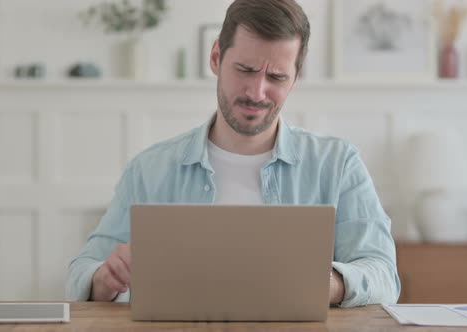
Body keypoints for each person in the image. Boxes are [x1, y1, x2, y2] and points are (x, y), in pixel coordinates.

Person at [66, 0, 400, 307]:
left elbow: (384, 273)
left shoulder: (338, 164)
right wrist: (104, 279)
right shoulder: (150, 169)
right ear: (216, 57)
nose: (257, 92)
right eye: (245, 69)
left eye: (277, 77)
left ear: (295, 78)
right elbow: (80, 273)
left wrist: (332, 283)